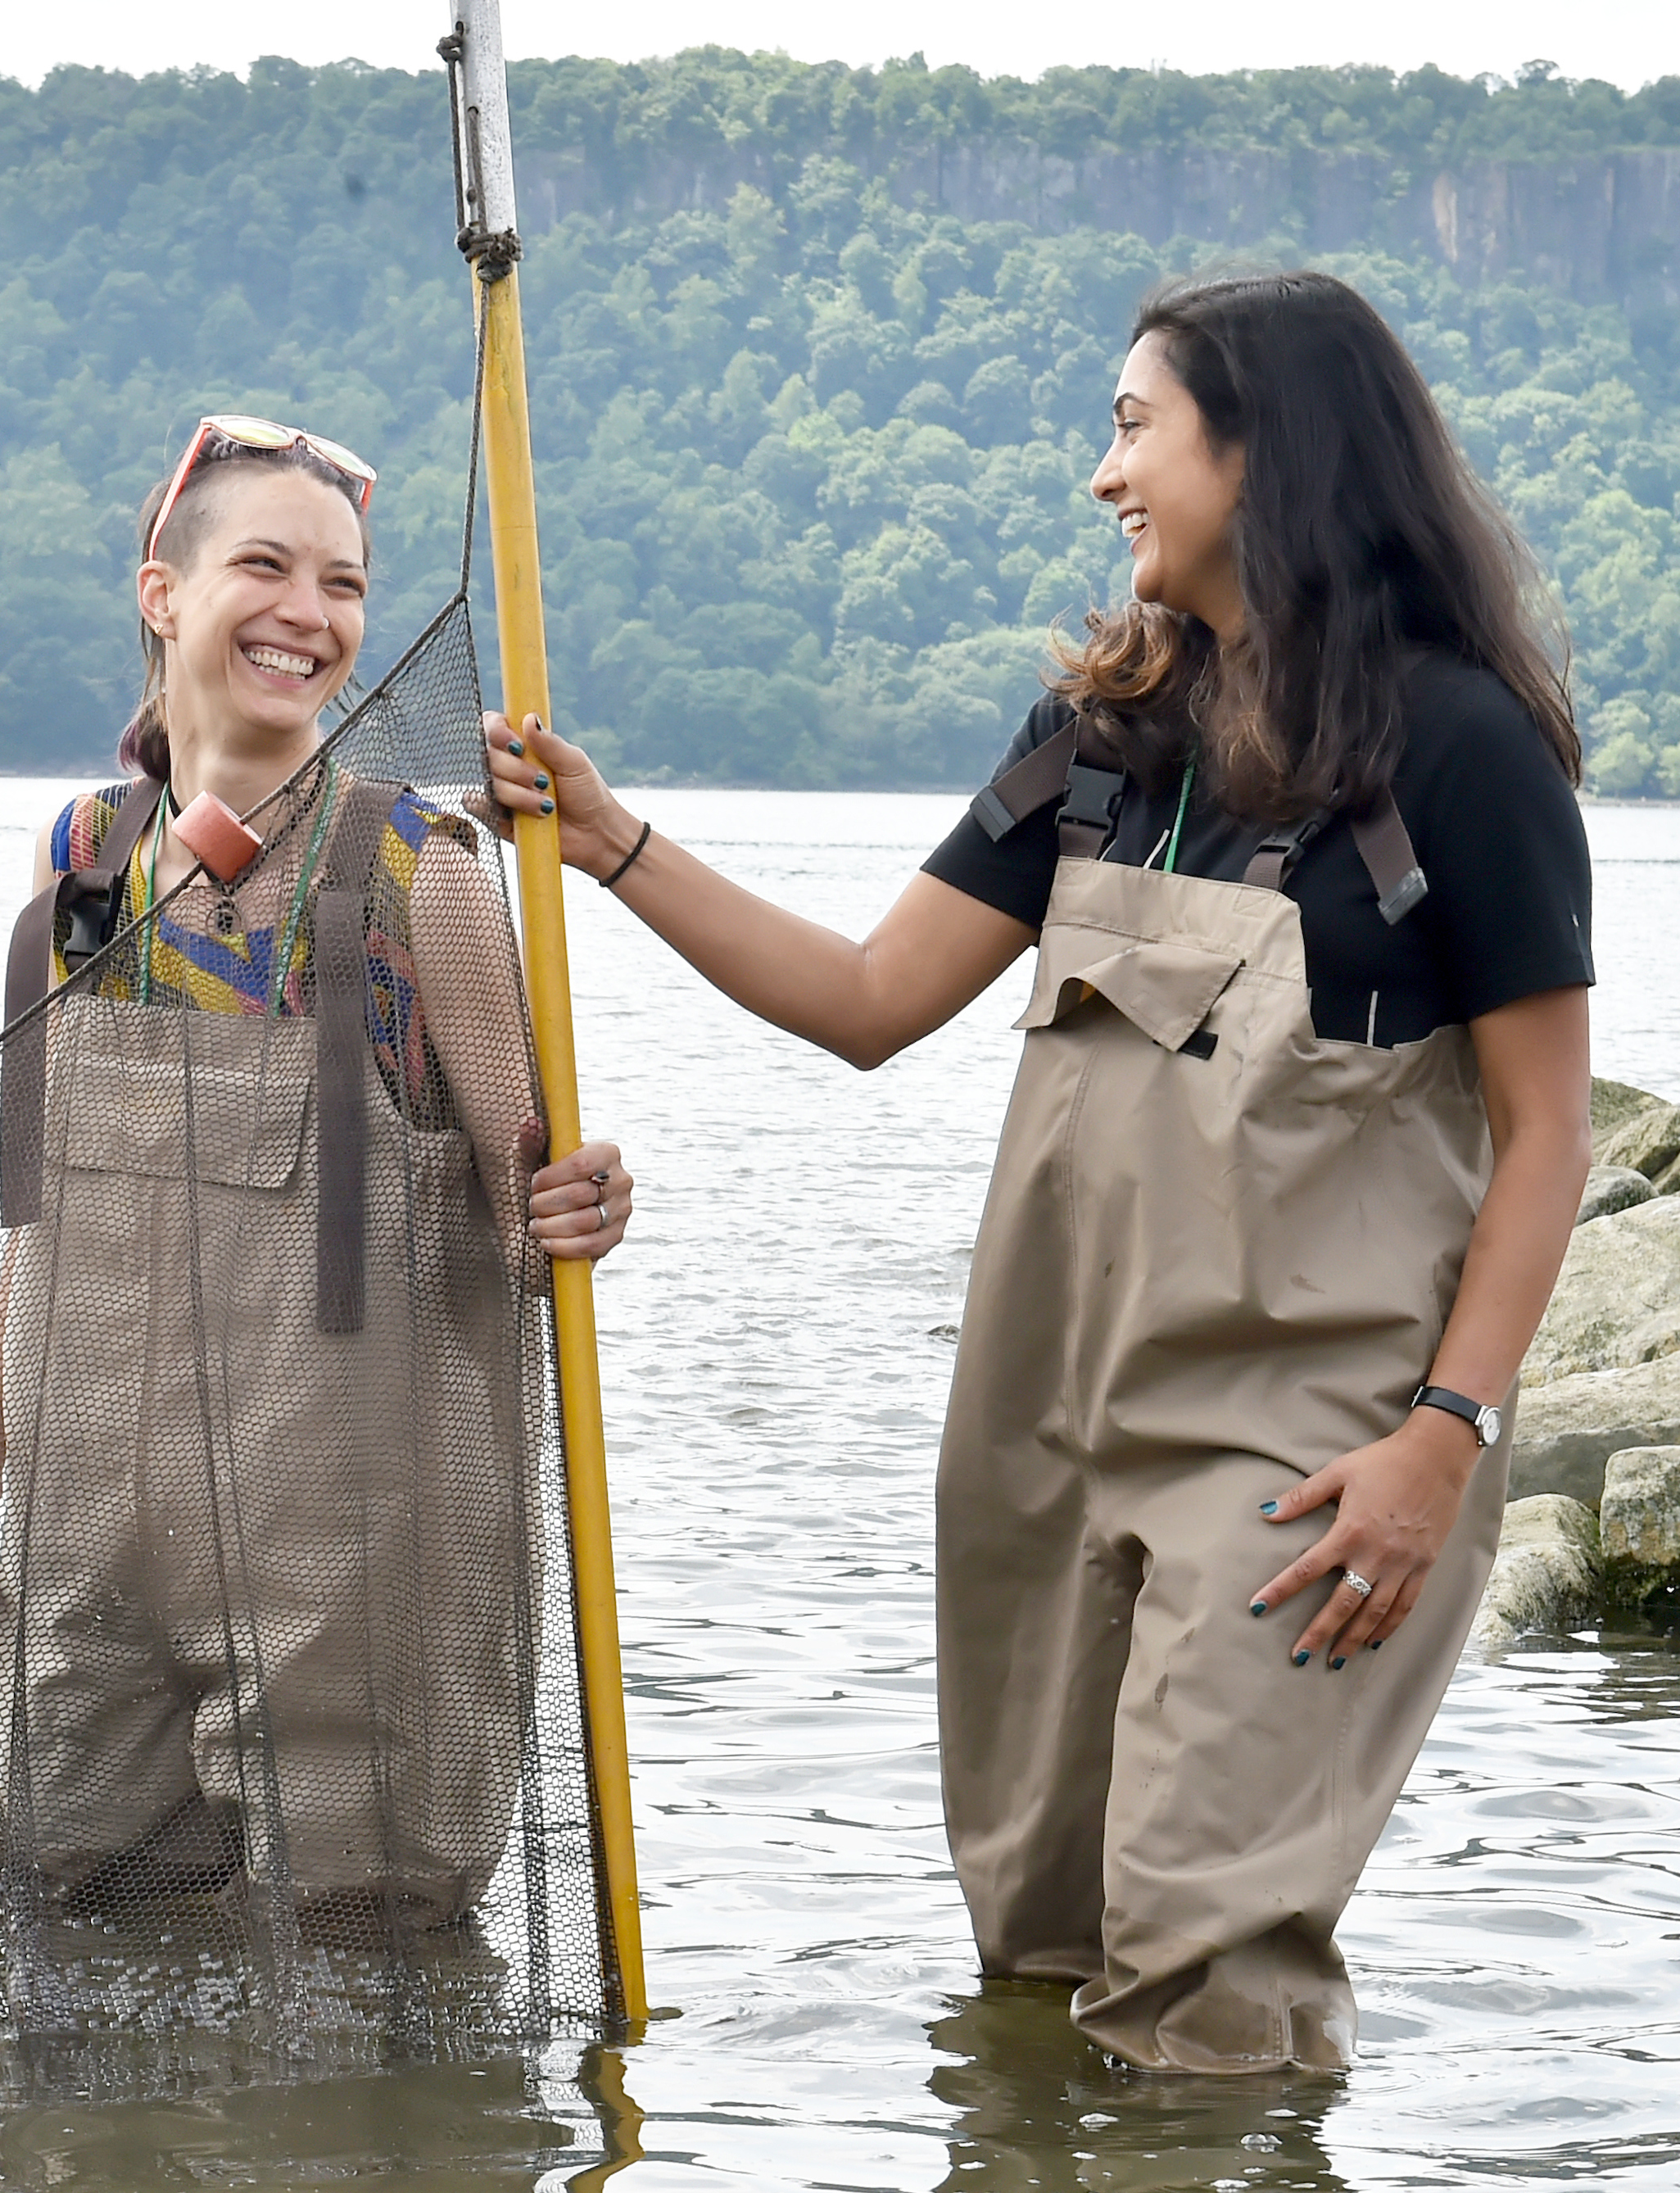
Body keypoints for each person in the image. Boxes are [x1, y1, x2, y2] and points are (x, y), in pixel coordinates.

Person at [483, 272, 1596, 2070]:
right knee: (1033, 1951)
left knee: (1201, 1976)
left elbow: (1552, 1129)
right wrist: (614, 842)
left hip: (1309, 1457)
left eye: (1135, 425)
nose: (1105, 475)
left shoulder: (1458, 750)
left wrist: (1440, 1445)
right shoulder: (1105, 731)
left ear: (1266, 451)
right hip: (1044, 1439)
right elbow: (865, 999)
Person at [0, 412, 632, 1946]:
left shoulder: (416, 873)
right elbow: (40, 1216)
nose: (312, 614)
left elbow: (526, 1215)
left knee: (365, 1963)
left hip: (353, 1561)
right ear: (163, 594)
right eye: (267, 566)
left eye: (346, 584)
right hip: (94, 1537)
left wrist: (578, 1209)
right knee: (60, 1940)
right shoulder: (80, 869)